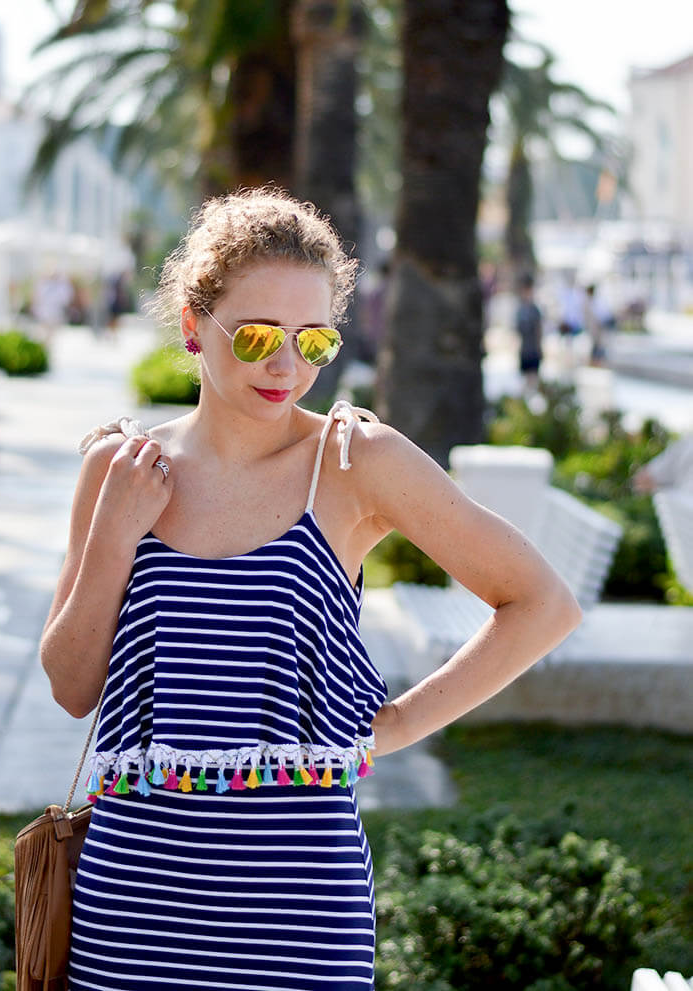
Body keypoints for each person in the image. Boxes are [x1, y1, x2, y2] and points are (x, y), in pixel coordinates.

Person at [40, 188, 581, 991]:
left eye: (314, 339)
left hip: (300, 913)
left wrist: (390, 727)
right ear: (194, 324)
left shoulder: (356, 463)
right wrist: (116, 533)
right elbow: (72, 686)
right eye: (256, 336)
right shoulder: (120, 471)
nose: (286, 367)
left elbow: (542, 602)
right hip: (133, 907)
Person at [515, 272, 543, 392]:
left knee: (532, 380)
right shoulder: (521, 308)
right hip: (525, 349)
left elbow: (538, 329)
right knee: (526, 380)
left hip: (532, 349)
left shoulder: (533, 309)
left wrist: (539, 347)